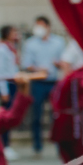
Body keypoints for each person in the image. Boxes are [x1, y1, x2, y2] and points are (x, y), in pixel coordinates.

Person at [19, 17, 65, 156]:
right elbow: (26, 64)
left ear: (48, 26)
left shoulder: (58, 42)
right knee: (36, 115)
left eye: (40, 25)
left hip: (53, 82)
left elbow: (64, 61)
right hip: (37, 82)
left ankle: (59, 145)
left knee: (57, 115)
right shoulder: (30, 44)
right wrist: (38, 69)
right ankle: (37, 146)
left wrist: (58, 65)